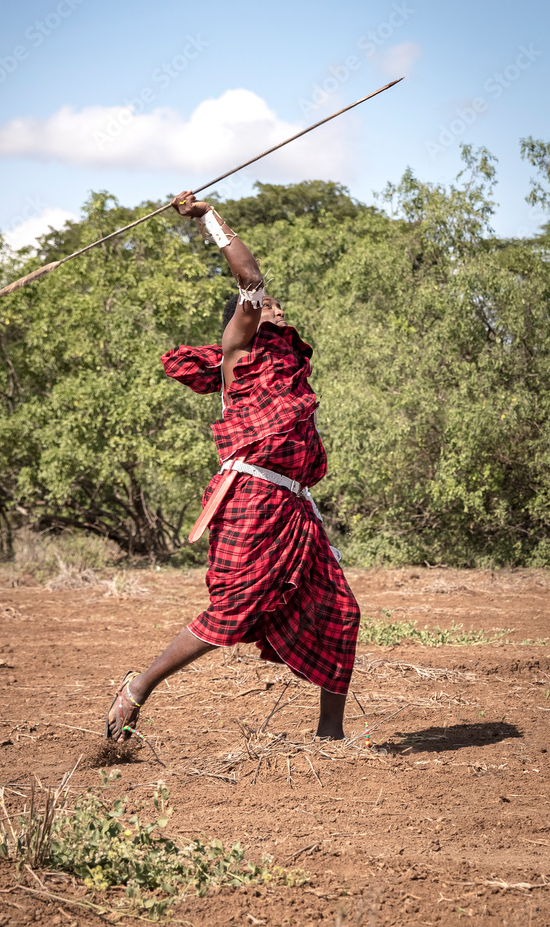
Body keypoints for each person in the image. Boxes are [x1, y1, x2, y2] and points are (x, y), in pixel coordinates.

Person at [105, 192, 360, 744]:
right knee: (235, 608)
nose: (276, 308)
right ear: (243, 322)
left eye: (274, 306)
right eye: (268, 306)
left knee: (340, 611)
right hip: (251, 498)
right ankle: (138, 688)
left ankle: (331, 739)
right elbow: (249, 278)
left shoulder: (287, 369)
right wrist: (206, 218)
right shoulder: (238, 354)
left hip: (294, 507)